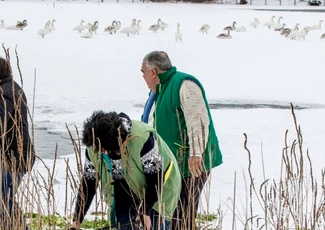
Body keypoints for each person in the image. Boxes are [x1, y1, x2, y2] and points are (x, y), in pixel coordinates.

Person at [140, 51, 223, 230]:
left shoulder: (184, 84)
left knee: (182, 213)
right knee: (172, 212)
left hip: (190, 163)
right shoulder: (158, 91)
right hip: (172, 164)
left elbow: (198, 120)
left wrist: (196, 153)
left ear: (153, 72)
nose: (143, 77)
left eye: (143, 72)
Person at [70, 111, 181, 230]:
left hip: (160, 187)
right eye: (97, 148)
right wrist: (77, 221)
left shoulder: (142, 140)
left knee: (153, 225)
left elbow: (156, 179)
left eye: (103, 148)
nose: (100, 152)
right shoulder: (95, 144)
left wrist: (145, 210)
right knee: (124, 225)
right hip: (124, 189)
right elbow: (88, 184)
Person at [0, 56, 36, 230]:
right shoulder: (8, 89)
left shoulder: (4, 93)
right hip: (5, 156)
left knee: (3, 201)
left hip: (12, 156)